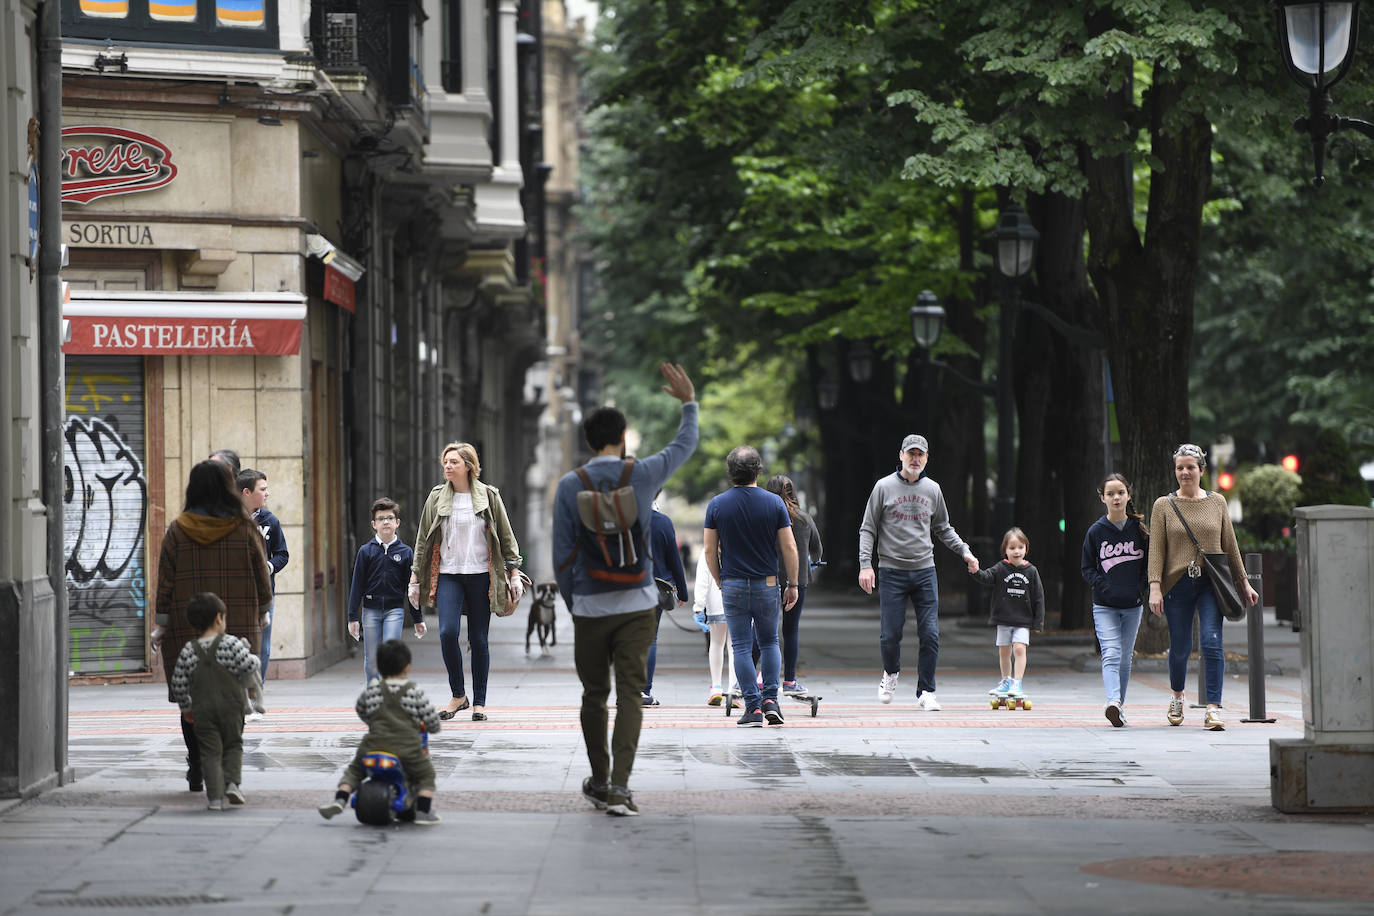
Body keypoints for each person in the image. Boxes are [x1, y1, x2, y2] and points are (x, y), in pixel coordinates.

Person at [553, 362, 698, 817]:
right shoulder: (643, 474)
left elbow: (561, 557)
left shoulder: (569, 486)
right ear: (622, 436)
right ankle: (619, 786)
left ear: (589, 441)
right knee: (630, 695)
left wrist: (576, 604)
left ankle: (597, 778)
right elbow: (684, 445)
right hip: (638, 602)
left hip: (591, 606)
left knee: (594, 695)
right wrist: (688, 402)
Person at [152, 460, 273, 793]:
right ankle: (225, 762)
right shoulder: (245, 527)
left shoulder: (178, 529)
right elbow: (262, 574)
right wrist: (263, 608)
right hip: (235, 622)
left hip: (185, 623)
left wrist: (162, 621)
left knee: (191, 696)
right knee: (231, 694)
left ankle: (197, 764)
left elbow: (165, 579)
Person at [858, 434, 978, 710]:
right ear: (900, 455)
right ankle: (891, 673)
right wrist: (866, 565)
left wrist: (965, 551)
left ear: (926, 458)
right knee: (890, 634)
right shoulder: (883, 487)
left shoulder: (933, 489)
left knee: (931, 633)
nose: (915, 459)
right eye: (911, 454)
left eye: (920, 455)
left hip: (924, 570)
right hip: (891, 570)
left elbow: (943, 527)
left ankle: (926, 691)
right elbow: (868, 528)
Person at [1148, 444, 1258, 731]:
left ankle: (1213, 708)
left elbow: (1230, 546)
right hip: (1177, 584)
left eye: (1190, 467)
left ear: (1201, 470)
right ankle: (1176, 695)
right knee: (1181, 648)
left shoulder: (1217, 502)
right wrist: (1155, 587)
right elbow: (1156, 549)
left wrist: (1243, 582)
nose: (1184, 472)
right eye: (1179, 467)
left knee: (1211, 642)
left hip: (1211, 583)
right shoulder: (1163, 505)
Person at [409, 442, 522, 722]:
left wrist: (514, 572)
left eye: (453, 462)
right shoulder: (436, 498)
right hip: (449, 574)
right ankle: (458, 695)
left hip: (482, 576)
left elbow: (506, 537)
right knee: (447, 632)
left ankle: (479, 702)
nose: (447, 466)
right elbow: (423, 540)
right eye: (445, 462)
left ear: (469, 466)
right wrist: (414, 578)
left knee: (479, 640)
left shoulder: (488, 496)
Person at [704, 446, 799, 728]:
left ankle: (753, 708)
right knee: (770, 642)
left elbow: (710, 550)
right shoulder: (774, 504)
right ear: (759, 470)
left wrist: (720, 579)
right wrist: (792, 583)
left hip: (732, 583)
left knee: (742, 646)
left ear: (730, 472)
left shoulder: (717, 505)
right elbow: (790, 546)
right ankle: (771, 700)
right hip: (768, 583)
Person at [318, 639, 442, 825]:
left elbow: (361, 708)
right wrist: (433, 727)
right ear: (407, 668)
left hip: (373, 744)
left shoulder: (373, 690)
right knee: (426, 775)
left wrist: (373, 722)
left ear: (380, 668)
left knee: (354, 771)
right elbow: (431, 718)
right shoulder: (414, 691)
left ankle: (340, 799)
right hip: (407, 747)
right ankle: (423, 812)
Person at [169, 593, 264, 810]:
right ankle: (232, 784)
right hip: (232, 708)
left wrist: (186, 708)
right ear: (219, 619)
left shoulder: (188, 650)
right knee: (233, 745)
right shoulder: (232, 644)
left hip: (202, 711)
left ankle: (214, 799)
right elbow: (248, 666)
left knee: (210, 753)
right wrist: (255, 659)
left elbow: (178, 683)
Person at [1081, 473, 1149, 727]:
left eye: (1120, 492)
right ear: (1102, 498)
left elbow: (1148, 566)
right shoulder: (1096, 532)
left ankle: (1118, 705)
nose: (1116, 497)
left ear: (1128, 494)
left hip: (1133, 605)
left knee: (1125, 657)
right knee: (1111, 652)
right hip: (1105, 605)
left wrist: (1140, 588)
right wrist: (1105, 586)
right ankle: (1113, 702)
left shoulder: (1140, 530)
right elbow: (1087, 568)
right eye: (1110, 494)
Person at [348, 498, 425, 684]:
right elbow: (356, 585)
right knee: (372, 659)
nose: (385, 522)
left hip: (395, 610)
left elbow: (412, 590)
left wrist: (417, 619)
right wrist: (352, 617)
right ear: (374, 524)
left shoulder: (406, 552)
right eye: (381, 519)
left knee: (391, 653)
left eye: (390, 518)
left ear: (397, 523)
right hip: (370, 611)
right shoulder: (365, 552)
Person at [762, 474, 822, 697]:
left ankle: (747, 680)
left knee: (764, 629)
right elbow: (817, 548)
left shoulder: (765, 518)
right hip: (799, 581)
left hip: (768, 579)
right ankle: (789, 681)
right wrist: (812, 562)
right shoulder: (804, 519)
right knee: (791, 629)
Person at [970, 527, 1045, 705]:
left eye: (1020, 547)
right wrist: (975, 570)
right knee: (1004, 651)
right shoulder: (1001, 567)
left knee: (1019, 649)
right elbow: (986, 577)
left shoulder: (1031, 571)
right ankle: (1006, 682)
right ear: (1005, 550)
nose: (1016, 551)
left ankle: (1016, 683)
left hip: (1023, 620)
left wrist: (1038, 622)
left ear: (1026, 548)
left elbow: (1039, 597)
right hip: (1003, 619)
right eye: (1012, 548)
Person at [237, 468, 289, 685]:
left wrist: (268, 566)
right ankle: (238, 691)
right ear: (247, 492)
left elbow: (282, 554)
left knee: (263, 646)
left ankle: (256, 690)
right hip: (236, 595)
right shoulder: (229, 520)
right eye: (263, 489)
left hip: (264, 594)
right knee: (238, 644)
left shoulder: (270, 521)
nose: (267, 493)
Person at [643, 495, 688, 706]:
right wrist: (683, 591)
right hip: (656, 588)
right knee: (650, 638)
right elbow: (674, 559)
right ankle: (644, 691)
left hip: (626, 589)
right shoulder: (663, 522)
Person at [693, 551, 736, 707]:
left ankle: (716, 687)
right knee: (735, 648)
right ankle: (733, 689)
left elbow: (702, 582)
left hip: (715, 605)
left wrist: (699, 606)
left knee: (716, 644)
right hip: (738, 603)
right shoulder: (737, 546)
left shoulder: (708, 553)